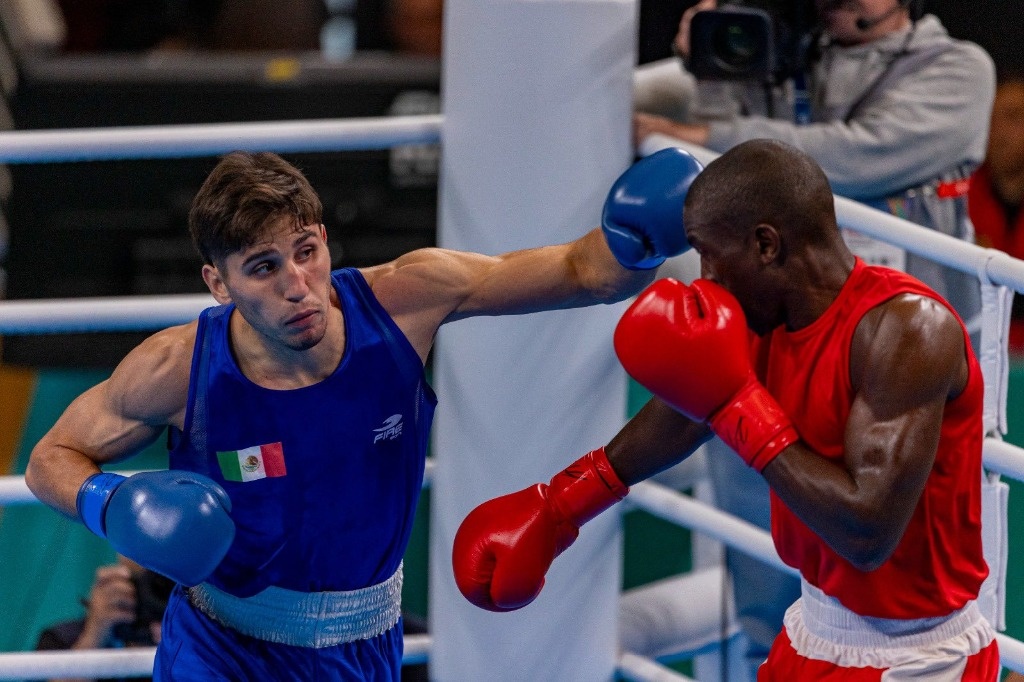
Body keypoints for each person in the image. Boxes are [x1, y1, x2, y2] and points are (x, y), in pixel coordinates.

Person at [24, 147, 702, 680]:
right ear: (218, 283)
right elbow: (49, 459)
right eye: (262, 268)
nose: (298, 287)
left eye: (305, 253)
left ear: (322, 240)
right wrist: (109, 504)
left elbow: (586, 272)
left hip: (362, 647)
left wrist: (634, 239)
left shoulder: (405, 302)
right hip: (220, 649)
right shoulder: (178, 369)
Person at [454, 139, 1000, 679]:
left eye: (712, 257)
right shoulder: (768, 315)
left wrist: (738, 404)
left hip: (919, 657)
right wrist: (563, 504)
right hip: (814, 626)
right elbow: (692, 408)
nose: (706, 279)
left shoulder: (907, 332)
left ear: (766, 245)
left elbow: (866, 533)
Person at [630, 2, 995, 674]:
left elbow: (832, 161)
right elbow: (734, 159)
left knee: (894, 531)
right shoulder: (790, 52)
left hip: (904, 348)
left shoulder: (955, 69)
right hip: (791, 326)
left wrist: (706, 131)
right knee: (768, 561)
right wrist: (565, 499)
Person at [35, 556, 172, 682]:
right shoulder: (63, 638)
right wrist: (94, 636)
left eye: (171, 588)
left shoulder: (188, 634)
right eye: (148, 584)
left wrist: (183, 643)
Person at [969, 70, 1024, 351]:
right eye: (994, 116)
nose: (1000, 128)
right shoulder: (959, 193)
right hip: (978, 343)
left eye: (1015, 116)